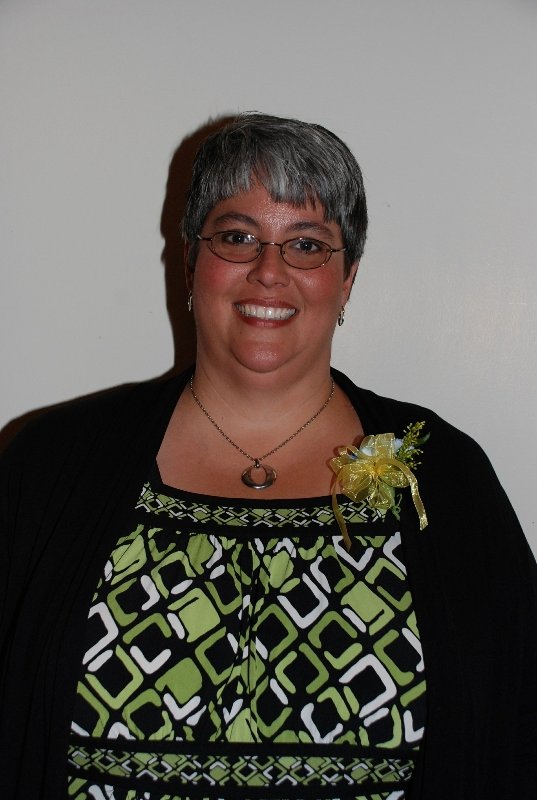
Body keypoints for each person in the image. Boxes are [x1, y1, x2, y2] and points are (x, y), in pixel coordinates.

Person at [1, 113, 536, 800]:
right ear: (191, 262)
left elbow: (518, 734)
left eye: (307, 244)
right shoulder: (51, 464)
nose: (269, 271)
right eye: (237, 237)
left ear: (347, 279)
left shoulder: (445, 476)